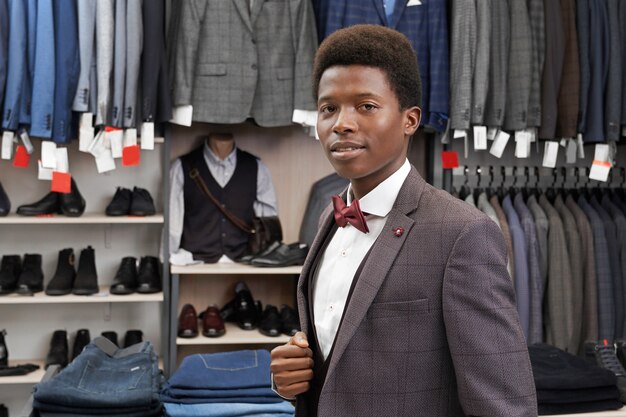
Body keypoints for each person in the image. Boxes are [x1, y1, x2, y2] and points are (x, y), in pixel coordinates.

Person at [270, 24, 537, 416]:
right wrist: (289, 381)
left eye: (366, 106)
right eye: (329, 108)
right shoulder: (329, 216)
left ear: (410, 120)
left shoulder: (462, 234)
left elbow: (505, 404)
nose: (341, 122)